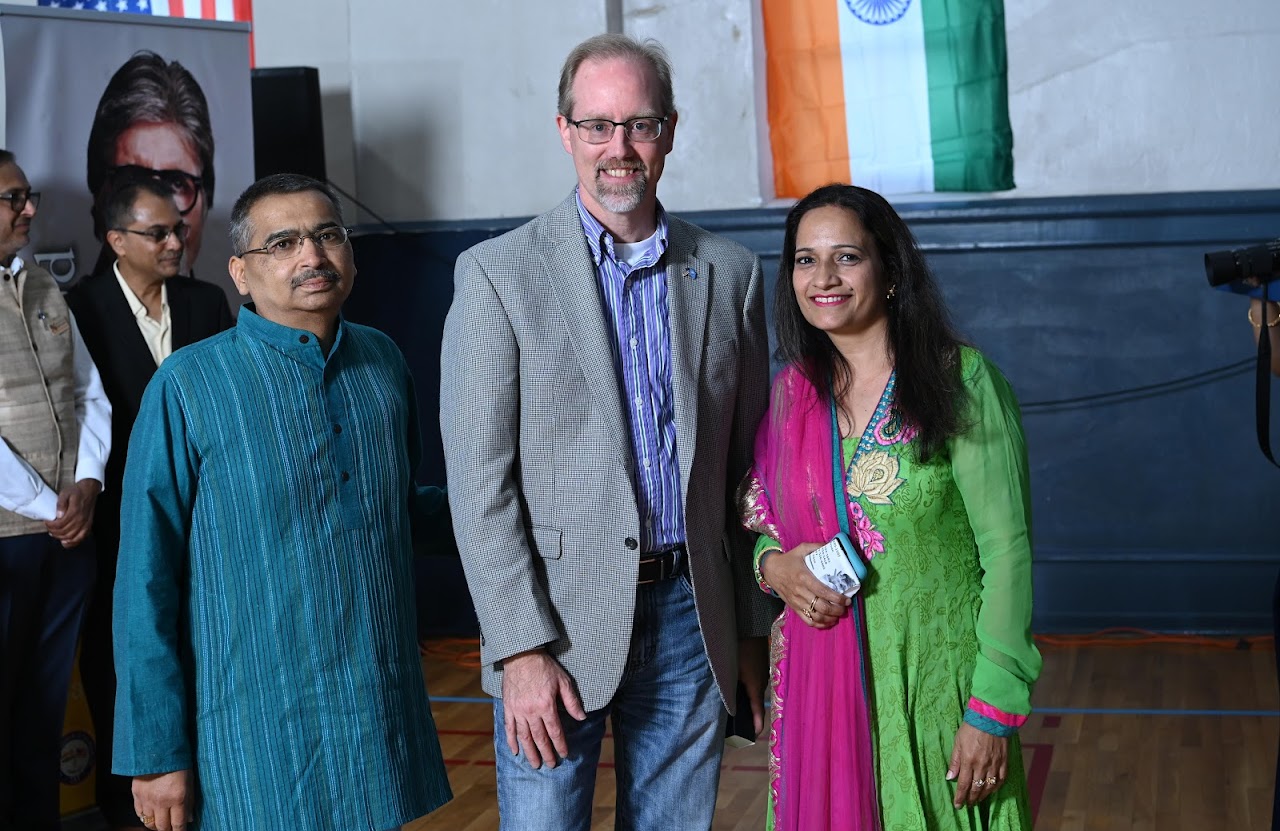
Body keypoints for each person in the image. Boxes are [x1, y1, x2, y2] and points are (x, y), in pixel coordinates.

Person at [440, 32, 777, 830]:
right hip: (552, 628)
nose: (618, 148)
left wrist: (749, 630)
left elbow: (748, 475)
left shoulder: (731, 273)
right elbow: (480, 486)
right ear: (565, 130)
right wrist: (519, 648)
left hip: (691, 620)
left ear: (670, 131)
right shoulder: (497, 275)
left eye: (639, 124)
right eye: (597, 125)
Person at [112, 174, 451, 831]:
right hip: (251, 734)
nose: (312, 256)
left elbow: (399, 511)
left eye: (327, 236)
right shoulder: (188, 384)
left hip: (373, 717)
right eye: (284, 243)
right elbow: (145, 578)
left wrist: (522, 505)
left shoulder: (381, 361)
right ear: (240, 272)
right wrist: (155, 754)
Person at [739, 183, 1042, 830]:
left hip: (935, 690)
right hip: (821, 704)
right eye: (805, 259)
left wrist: (992, 709)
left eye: (846, 257)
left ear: (891, 270)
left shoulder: (960, 382)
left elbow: (1008, 554)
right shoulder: (792, 397)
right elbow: (764, 525)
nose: (824, 277)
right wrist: (775, 568)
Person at [66, 174, 233, 831]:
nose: (174, 242)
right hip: (119, 525)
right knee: (124, 664)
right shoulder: (79, 309)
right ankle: (128, 808)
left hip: (205, 521)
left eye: (179, 229)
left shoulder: (206, 302)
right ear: (116, 240)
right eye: (157, 232)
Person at [0, 149, 111, 831]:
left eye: (28, 195)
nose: (30, 210)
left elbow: (87, 391)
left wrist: (89, 482)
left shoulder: (41, 283)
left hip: (67, 536)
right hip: (12, 540)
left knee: (42, 711)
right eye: (12, 199)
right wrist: (53, 507)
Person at [87, 51, 215, 276]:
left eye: (177, 183)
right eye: (133, 181)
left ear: (205, 201)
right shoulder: (71, 302)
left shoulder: (218, 300)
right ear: (99, 198)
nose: (159, 212)